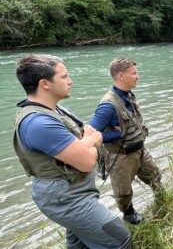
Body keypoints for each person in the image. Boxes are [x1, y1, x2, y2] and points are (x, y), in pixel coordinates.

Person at [13, 55, 133, 249]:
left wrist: (85, 141)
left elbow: (82, 140)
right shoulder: (39, 123)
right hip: (66, 198)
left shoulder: (55, 110)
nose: (70, 81)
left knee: (80, 244)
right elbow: (86, 162)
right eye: (64, 76)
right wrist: (94, 139)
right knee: (120, 239)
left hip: (75, 191)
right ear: (44, 84)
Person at [90, 57, 164, 225]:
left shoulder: (127, 95)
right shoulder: (108, 105)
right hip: (121, 157)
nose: (138, 76)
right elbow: (90, 134)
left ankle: (161, 198)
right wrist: (115, 135)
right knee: (123, 192)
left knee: (154, 175)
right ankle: (129, 216)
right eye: (134, 73)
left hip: (140, 149)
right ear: (121, 76)